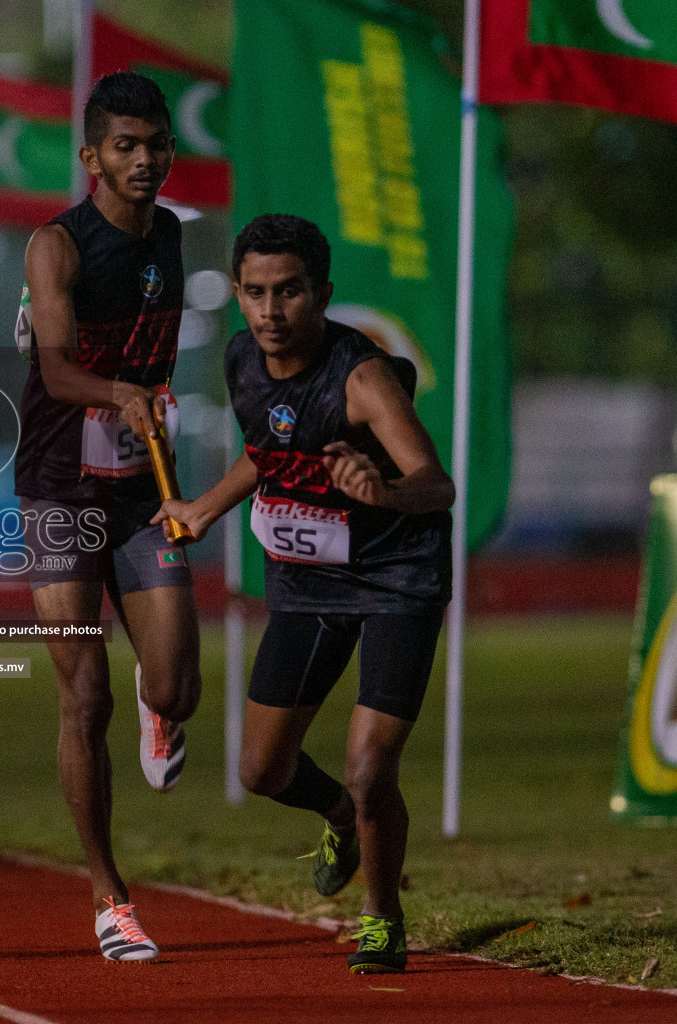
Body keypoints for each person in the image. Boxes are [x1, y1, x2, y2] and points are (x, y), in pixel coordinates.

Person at [153, 214, 454, 973]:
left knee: (369, 768)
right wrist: (202, 508)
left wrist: (381, 489)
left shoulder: (363, 379)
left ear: (321, 294)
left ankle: (382, 918)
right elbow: (266, 451)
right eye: (254, 293)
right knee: (260, 770)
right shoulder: (241, 360)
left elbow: (435, 483)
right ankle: (337, 819)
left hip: (396, 576)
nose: (270, 312)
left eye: (287, 292)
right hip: (307, 580)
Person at [15, 71, 200, 962]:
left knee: (176, 686)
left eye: (156, 145)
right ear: (91, 156)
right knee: (80, 696)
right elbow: (53, 372)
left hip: (136, 483)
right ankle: (109, 898)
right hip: (56, 484)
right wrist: (117, 392)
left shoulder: (170, 234)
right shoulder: (56, 248)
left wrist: (145, 405)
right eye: (125, 146)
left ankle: (158, 705)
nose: (144, 160)